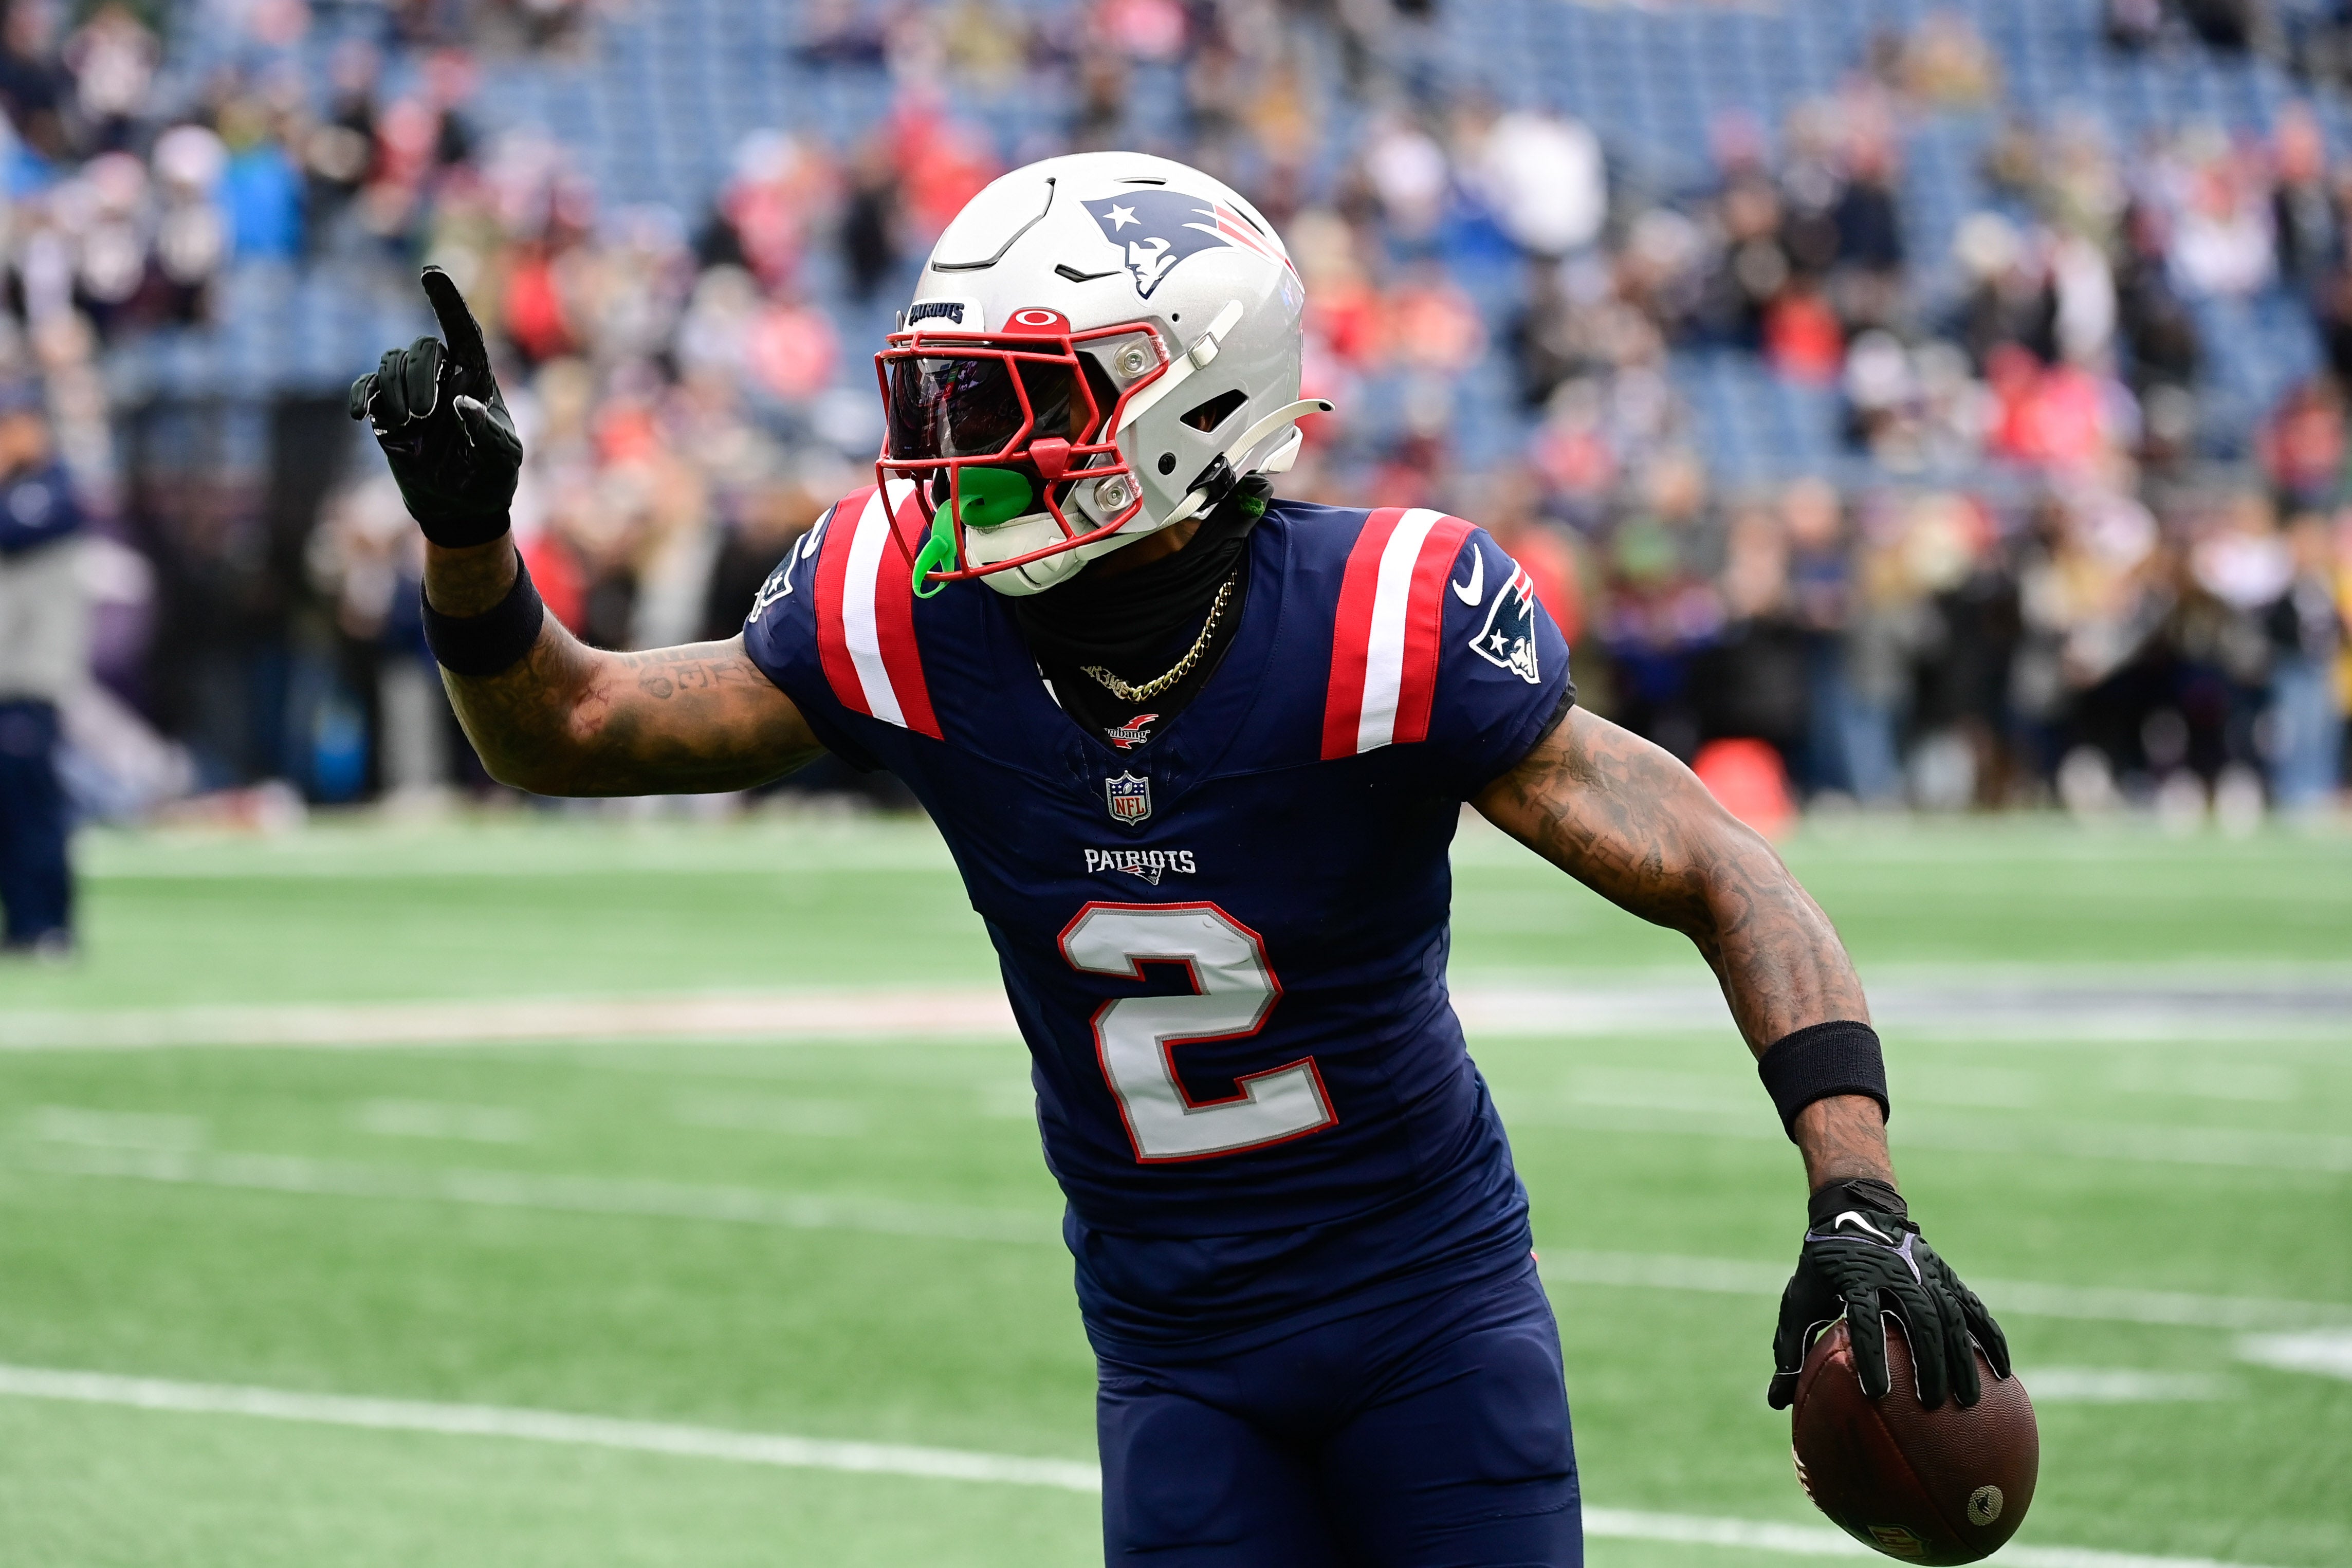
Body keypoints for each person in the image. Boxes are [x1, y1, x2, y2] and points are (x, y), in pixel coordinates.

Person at [352, 153, 2011, 1567]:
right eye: (942, 397)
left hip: (1425, 1319)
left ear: (1183, 410)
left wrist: (1853, 1190)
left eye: (1008, 404)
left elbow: (1722, 865)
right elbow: (560, 732)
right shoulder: (904, 609)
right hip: (1170, 1352)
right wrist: (466, 541)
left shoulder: (1375, 621)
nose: (951, 452)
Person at [0, 382, 86, 957]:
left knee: (33, 809)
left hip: (29, 677)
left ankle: (49, 926)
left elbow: (12, 529)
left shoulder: (52, 490)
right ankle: (21, 928)